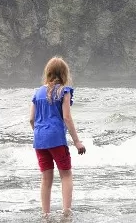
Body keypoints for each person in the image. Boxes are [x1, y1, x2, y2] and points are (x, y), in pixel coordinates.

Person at [30, 57, 87, 218]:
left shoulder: (37, 92)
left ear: (47, 73)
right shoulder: (64, 91)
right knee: (66, 174)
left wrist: (39, 132)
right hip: (56, 139)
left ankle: (46, 214)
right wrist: (77, 141)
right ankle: (66, 212)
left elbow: (31, 119)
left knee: (46, 178)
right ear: (64, 74)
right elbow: (67, 118)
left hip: (39, 140)